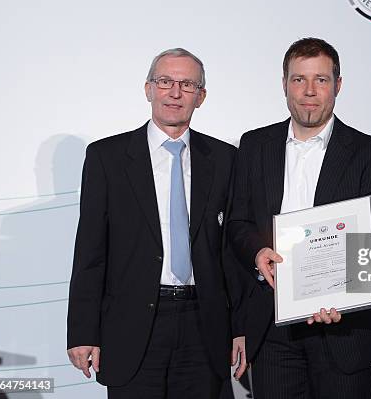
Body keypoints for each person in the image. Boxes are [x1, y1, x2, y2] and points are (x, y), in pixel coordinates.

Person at [66, 48, 247, 399]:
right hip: (132, 326)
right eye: (165, 81)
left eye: (187, 84)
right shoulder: (108, 157)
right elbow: (90, 251)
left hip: (204, 325)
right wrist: (82, 331)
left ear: (202, 96)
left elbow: (231, 253)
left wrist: (241, 327)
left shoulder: (225, 159)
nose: (175, 92)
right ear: (148, 89)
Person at [228, 37, 371, 399]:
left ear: (338, 85)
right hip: (272, 329)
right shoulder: (254, 146)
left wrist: (343, 294)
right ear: (284, 84)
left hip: (342, 326)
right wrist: (257, 252)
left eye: (321, 79)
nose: (309, 91)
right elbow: (237, 224)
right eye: (298, 79)